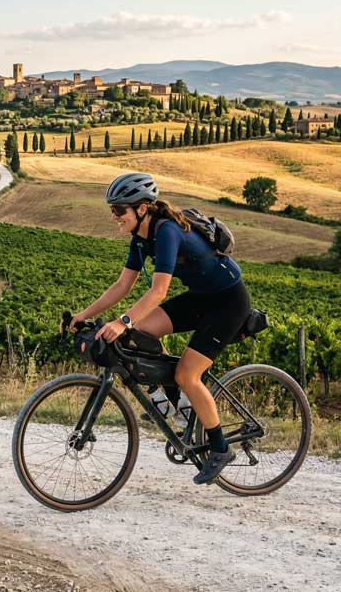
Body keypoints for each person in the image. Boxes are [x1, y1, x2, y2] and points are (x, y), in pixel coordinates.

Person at [67, 172, 251, 485]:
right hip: (200, 297)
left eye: (118, 211)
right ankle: (173, 404)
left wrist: (121, 321)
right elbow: (122, 285)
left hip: (228, 303)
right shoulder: (141, 238)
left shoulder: (166, 231)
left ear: (141, 208)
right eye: (111, 210)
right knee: (140, 334)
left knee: (186, 374)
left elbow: (158, 292)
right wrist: (82, 315)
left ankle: (220, 448)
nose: (114, 217)